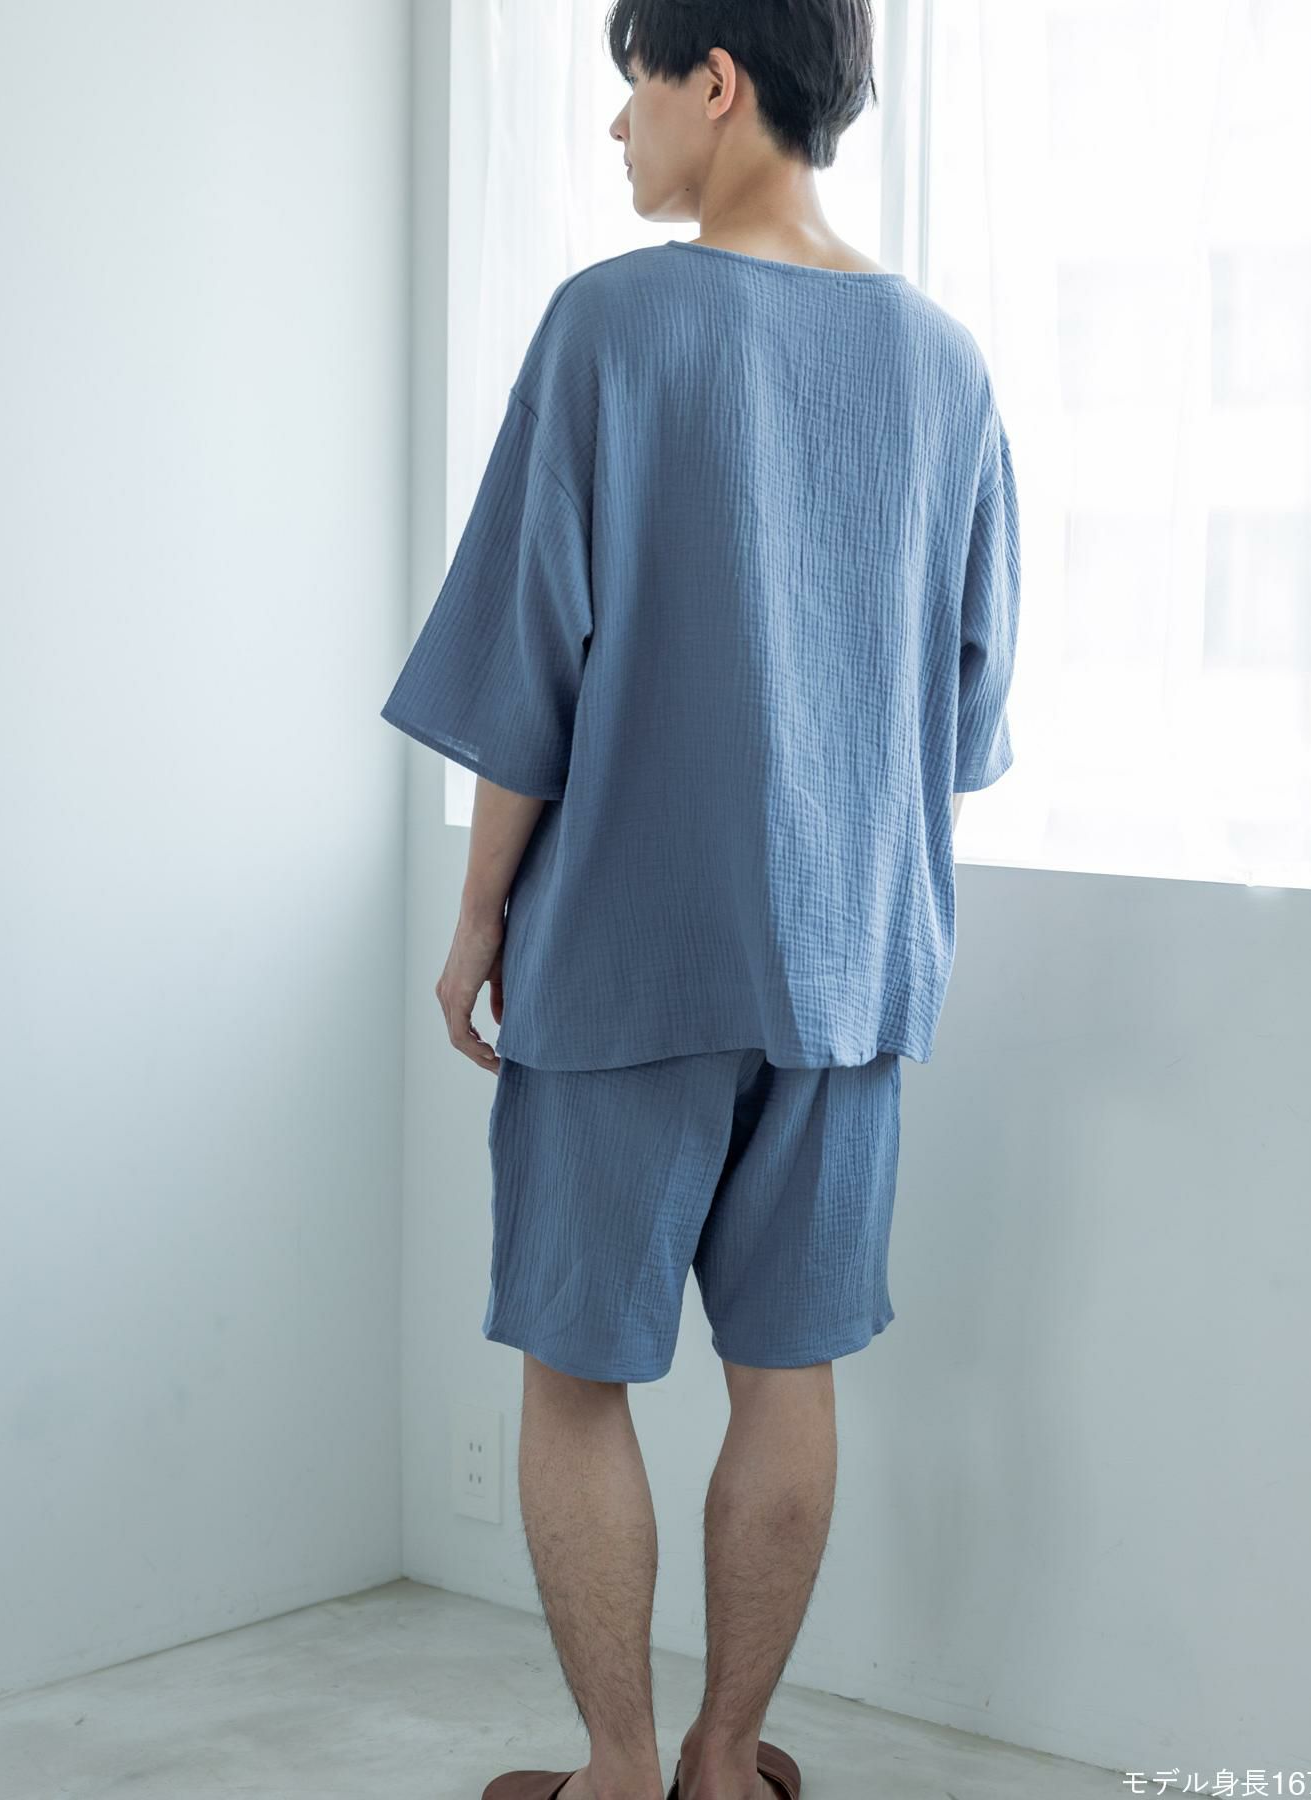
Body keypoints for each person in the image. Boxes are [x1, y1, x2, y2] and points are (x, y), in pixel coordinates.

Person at [380, 2, 1020, 1795]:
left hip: (627, 959)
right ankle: (726, 1769)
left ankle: (616, 1771)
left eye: (632, 88)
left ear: (715, 82)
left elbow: (530, 664)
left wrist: (478, 917)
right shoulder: (948, 364)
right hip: (851, 967)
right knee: (788, 1371)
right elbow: (965, 715)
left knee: (577, 1374)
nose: (617, 130)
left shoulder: (610, 326)